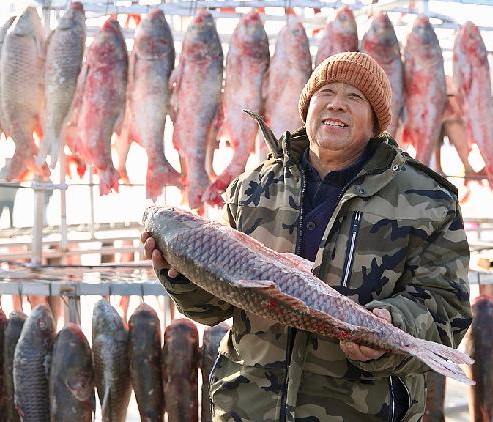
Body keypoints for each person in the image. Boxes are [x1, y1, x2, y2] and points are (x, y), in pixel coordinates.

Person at [142, 52, 471, 421]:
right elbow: (215, 307)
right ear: (307, 106)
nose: (336, 104)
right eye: (326, 91)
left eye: (355, 97)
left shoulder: (426, 200)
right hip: (248, 410)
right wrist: (180, 276)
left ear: (376, 120)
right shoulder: (251, 189)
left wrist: (393, 327)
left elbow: (448, 311)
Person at [0, 158, 19, 228]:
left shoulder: (14, 172)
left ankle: (11, 225)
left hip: (11, 197)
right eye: (7, 161)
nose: (8, 163)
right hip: (2, 197)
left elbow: (18, 182)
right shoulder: (1, 172)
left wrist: (14, 190)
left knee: (11, 212)